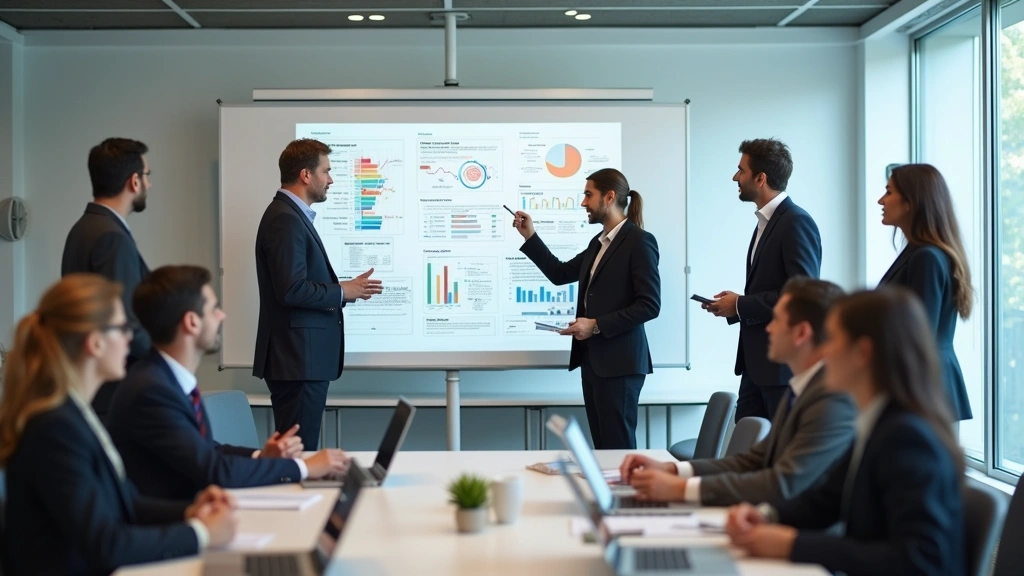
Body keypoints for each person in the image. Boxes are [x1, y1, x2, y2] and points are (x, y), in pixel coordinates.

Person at [0, 274, 236, 575]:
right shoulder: (54, 428)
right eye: (122, 328)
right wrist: (201, 534)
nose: (130, 338)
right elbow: (107, 544)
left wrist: (191, 511)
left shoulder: (75, 414)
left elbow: (124, 502)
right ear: (95, 343)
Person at [725, 287, 965, 576]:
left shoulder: (908, 438)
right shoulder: (879, 421)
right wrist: (765, 515)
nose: (823, 351)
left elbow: (917, 561)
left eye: (832, 339)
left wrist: (792, 545)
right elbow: (826, 501)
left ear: (862, 352)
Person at [107, 265, 352, 500]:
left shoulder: (164, 378)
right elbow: (214, 471)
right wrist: (304, 467)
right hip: (169, 520)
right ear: (192, 322)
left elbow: (207, 450)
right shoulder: (152, 390)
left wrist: (261, 457)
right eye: (214, 309)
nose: (222, 315)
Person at [618, 277, 855, 506]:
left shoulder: (831, 401)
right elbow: (753, 461)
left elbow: (783, 483)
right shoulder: (801, 390)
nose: (769, 328)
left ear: (801, 333)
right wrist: (672, 469)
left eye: (776, 320)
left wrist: (680, 488)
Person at [513, 168, 660, 449]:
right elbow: (559, 273)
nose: (583, 202)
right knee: (603, 451)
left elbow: (649, 306)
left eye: (588, 195)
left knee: (617, 450)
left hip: (620, 366)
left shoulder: (639, 242)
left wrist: (595, 325)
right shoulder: (598, 243)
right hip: (594, 363)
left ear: (609, 197)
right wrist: (529, 235)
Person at [253, 139, 383, 450]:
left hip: (300, 360)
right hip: (298, 360)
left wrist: (345, 291)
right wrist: (342, 291)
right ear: (305, 175)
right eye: (326, 171)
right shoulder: (285, 219)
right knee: (299, 454)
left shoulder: (289, 215)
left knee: (301, 451)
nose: (331, 179)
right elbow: (291, 289)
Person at [705, 138, 822, 423]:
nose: (735, 177)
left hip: (780, 372)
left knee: (777, 447)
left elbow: (801, 296)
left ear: (761, 178)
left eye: (741, 170)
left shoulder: (795, 221)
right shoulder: (766, 222)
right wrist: (734, 306)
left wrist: (741, 305)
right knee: (746, 445)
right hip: (756, 367)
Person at [61, 137, 153, 418]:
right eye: (147, 175)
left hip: (93, 382)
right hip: (114, 392)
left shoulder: (84, 227)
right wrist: (166, 357)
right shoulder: (112, 237)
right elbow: (126, 320)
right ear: (134, 181)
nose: (150, 184)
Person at [877, 163, 973, 422]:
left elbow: (919, 334)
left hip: (925, 387)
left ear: (911, 202)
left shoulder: (926, 257)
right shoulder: (918, 253)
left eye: (889, 192)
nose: (880, 200)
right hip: (926, 383)